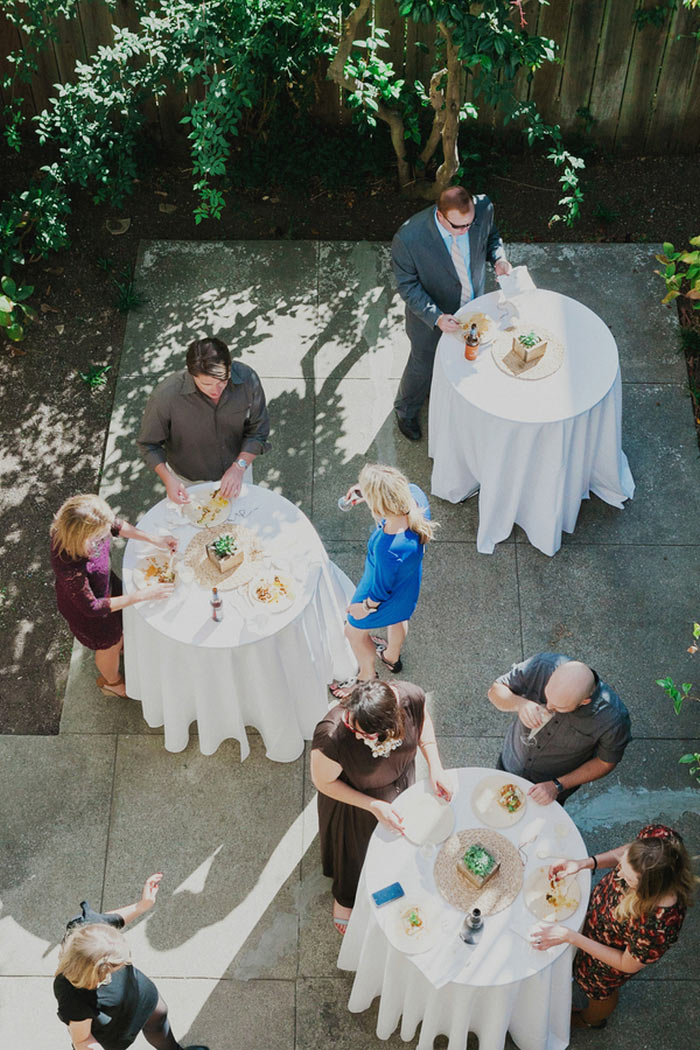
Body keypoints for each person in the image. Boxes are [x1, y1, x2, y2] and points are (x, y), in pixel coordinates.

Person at [310, 678, 453, 933]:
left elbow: (423, 723)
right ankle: (346, 896)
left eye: (364, 733)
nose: (354, 731)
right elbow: (324, 783)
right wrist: (373, 805)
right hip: (356, 802)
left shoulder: (410, 697)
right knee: (354, 852)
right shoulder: (332, 736)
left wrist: (436, 766)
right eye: (351, 723)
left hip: (400, 785)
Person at [532, 824, 695, 1029]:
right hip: (597, 923)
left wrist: (571, 937)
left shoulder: (658, 926)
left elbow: (626, 963)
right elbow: (629, 852)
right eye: (622, 867)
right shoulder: (659, 840)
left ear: (650, 889)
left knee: (598, 991)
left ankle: (590, 1020)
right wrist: (585, 863)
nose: (618, 876)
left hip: (607, 958)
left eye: (627, 879)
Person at [392, 185, 511, 440]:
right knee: (421, 365)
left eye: (470, 224)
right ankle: (406, 411)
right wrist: (435, 316)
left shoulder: (484, 208)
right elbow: (407, 285)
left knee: (467, 356)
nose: (465, 230)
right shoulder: (409, 238)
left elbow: (492, 237)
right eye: (458, 227)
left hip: (472, 306)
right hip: (431, 317)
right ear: (440, 214)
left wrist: (499, 258)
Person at [54, 873, 208, 1050]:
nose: (127, 961)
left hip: (139, 994)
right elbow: (81, 1039)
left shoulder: (87, 929)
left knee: (158, 1020)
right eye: (120, 963)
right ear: (100, 970)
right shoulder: (72, 993)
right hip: (115, 1025)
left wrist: (141, 906)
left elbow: (112, 920)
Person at [50, 494, 176, 699]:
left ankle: (122, 647)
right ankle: (112, 683)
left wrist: (154, 539)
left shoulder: (93, 522)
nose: (107, 531)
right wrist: (142, 595)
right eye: (101, 532)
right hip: (88, 612)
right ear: (83, 535)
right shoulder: (67, 562)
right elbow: (92, 607)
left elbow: (115, 525)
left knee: (122, 627)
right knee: (110, 644)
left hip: (107, 587)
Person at [330, 464, 434, 698]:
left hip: (380, 591)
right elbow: (398, 491)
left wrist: (362, 608)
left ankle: (365, 677)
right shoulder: (416, 497)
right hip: (406, 586)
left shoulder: (387, 548)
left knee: (353, 633)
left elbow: (380, 590)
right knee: (398, 619)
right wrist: (367, 492)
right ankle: (391, 657)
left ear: (379, 504)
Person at [137, 337, 270, 504]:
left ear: (230, 366)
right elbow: (148, 444)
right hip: (189, 481)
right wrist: (168, 479)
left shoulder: (248, 380)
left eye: (223, 380)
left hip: (238, 469)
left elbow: (258, 431)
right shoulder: (166, 397)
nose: (216, 390)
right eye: (206, 384)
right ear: (192, 375)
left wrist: (239, 466)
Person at [486, 652, 631, 804]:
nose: (548, 707)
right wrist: (519, 703)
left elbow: (605, 762)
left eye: (559, 707)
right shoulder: (541, 666)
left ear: (585, 702)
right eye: (547, 697)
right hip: (510, 762)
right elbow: (495, 690)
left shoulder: (613, 720)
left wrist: (557, 785)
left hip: (548, 788)